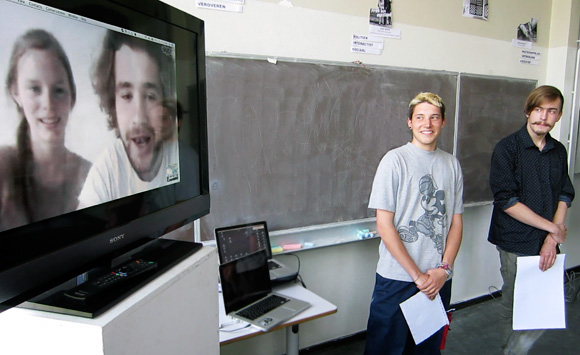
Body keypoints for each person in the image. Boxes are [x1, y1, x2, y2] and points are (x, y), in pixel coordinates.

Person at [365, 92, 464, 354]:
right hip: (397, 278)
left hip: (437, 279)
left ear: (443, 122)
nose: (427, 124)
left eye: (434, 117)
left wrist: (445, 269)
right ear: (410, 122)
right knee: (386, 349)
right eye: (420, 117)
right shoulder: (394, 161)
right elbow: (384, 225)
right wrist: (417, 276)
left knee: (426, 349)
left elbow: (455, 223)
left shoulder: (451, 164)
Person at [488, 85, 574, 355]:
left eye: (552, 111)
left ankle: (519, 350)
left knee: (541, 305)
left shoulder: (558, 151)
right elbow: (507, 201)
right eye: (538, 109)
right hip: (515, 240)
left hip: (547, 241)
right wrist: (554, 228)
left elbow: (565, 192)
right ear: (527, 111)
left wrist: (551, 238)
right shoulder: (507, 148)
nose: (543, 117)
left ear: (559, 116)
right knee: (515, 304)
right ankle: (510, 352)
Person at [0, 29, 91, 231]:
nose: (48, 104)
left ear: (71, 97)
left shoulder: (91, 175)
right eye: (34, 89)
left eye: (58, 90)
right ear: (15, 93)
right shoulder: (2, 168)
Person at [78, 30, 179, 208]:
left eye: (150, 96)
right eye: (126, 96)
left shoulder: (184, 158)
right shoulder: (104, 173)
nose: (139, 118)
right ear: (112, 104)